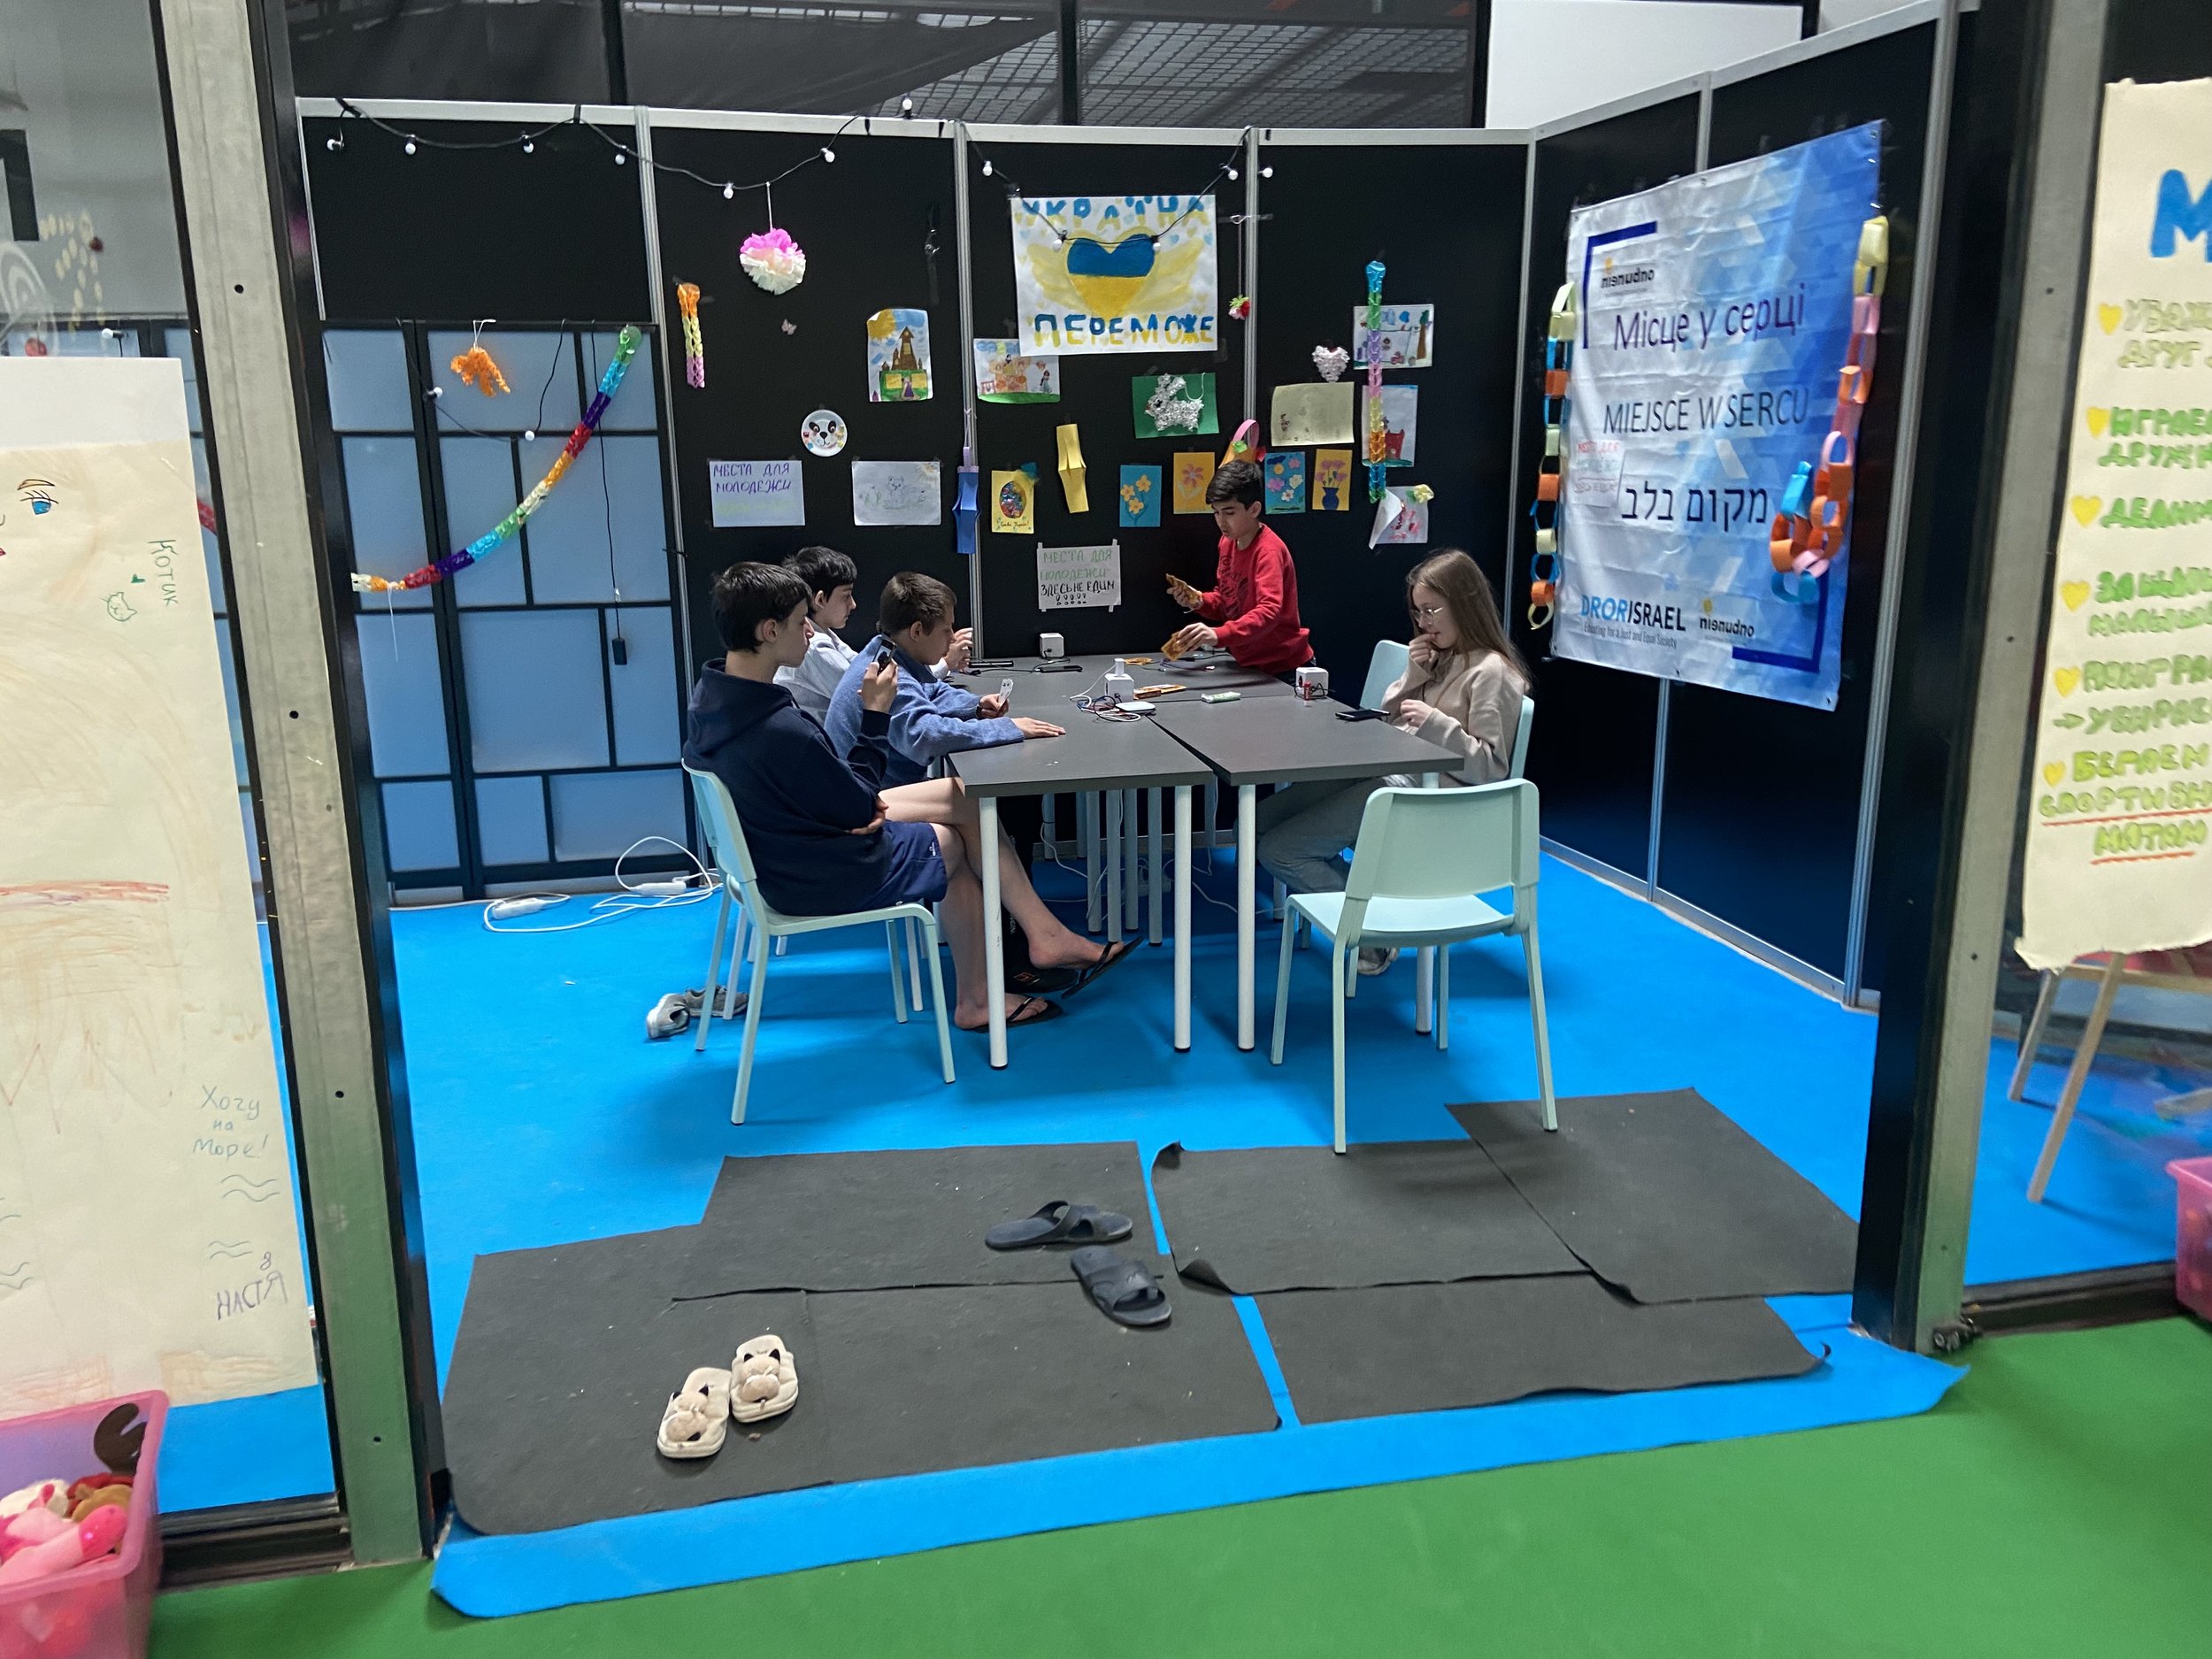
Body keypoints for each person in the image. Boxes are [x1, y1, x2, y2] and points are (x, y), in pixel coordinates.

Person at [684, 563, 1131, 1033]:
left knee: (959, 810)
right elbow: (858, 802)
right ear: (769, 629)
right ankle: (1005, 974)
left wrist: (857, 803)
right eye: (801, 621)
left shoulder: (714, 700)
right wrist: (873, 718)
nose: (810, 630)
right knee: (953, 838)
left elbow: (836, 788)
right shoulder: (780, 730)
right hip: (814, 869)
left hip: (781, 853)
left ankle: (1032, 946)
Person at [1255, 549, 1528, 975]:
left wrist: (1437, 724)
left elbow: (1491, 769)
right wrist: (1413, 679)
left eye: (1432, 610)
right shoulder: (1440, 657)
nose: (1424, 623)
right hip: (1390, 774)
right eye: (1418, 612)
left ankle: (1373, 932)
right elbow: (1390, 720)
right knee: (1255, 826)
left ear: (1465, 603)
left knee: (1281, 850)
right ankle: (1364, 899)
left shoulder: (1493, 672)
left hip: (1425, 801)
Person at [826, 571, 1063, 788]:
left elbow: (932, 690)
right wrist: (1006, 727)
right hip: (868, 796)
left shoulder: (887, 651)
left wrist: (975, 706)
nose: (951, 638)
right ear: (917, 631)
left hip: (879, 785)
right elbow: (928, 737)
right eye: (946, 629)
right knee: (965, 800)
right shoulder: (886, 674)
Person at [775, 546, 971, 718]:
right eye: (846, 596)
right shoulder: (814, 647)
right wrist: (945, 663)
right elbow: (876, 692)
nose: (853, 605)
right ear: (820, 600)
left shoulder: (827, 637)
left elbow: (867, 667)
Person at [1164, 458, 1314, 673]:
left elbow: (1269, 612)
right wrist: (1199, 600)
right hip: (1249, 666)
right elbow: (1228, 601)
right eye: (1216, 512)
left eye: (1229, 512)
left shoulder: (1268, 551)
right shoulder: (1227, 542)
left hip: (1285, 667)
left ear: (1254, 509)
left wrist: (1218, 635)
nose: (1221, 521)